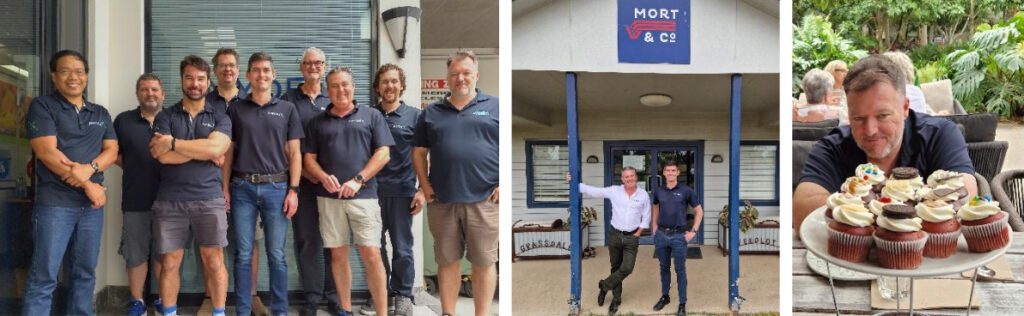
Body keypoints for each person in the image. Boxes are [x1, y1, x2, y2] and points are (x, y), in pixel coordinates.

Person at [793, 55, 977, 235]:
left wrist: (857, 211)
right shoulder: (833, 147)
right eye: (858, 118)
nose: (871, 130)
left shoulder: (940, 135)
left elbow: (965, 192)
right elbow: (802, 210)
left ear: (905, 108)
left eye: (883, 116)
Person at [23, 49, 118, 316]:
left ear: (86, 76)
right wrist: (89, 184)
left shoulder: (99, 112)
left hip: (91, 208)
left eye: (79, 71)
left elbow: (111, 150)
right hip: (55, 204)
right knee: (44, 276)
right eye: (65, 71)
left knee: (85, 273)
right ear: (54, 77)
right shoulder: (42, 106)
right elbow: (48, 153)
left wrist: (90, 168)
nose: (73, 77)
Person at [413, 50, 499, 316]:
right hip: (443, 201)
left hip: (484, 201)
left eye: (466, 73)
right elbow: (418, 152)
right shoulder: (431, 113)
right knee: (447, 261)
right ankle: (448, 313)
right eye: (455, 74)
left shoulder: (496, 106)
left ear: (476, 75)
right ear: (447, 78)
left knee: (483, 263)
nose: (460, 78)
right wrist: (425, 187)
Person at [303, 67, 394, 316]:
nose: (340, 90)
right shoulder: (317, 122)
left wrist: (358, 179)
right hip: (329, 199)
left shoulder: (371, 116)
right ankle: (344, 310)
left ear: (353, 87)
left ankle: (382, 312)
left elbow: (383, 153)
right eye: (334, 85)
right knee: (338, 254)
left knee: (371, 253)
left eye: (345, 84)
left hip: (363, 197)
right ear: (327, 89)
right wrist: (322, 177)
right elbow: (308, 158)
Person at [150, 55, 232, 316]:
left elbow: (218, 147)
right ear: (182, 80)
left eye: (200, 78)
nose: (194, 83)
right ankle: (170, 313)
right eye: (189, 77)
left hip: (209, 198)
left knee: (214, 261)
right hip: (170, 200)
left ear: (209, 82)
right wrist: (205, 151)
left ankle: (219, 313)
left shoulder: (221, 116)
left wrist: (174, 143)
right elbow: (161, 156)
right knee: (170, 262)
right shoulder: (165, 116)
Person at [223, 52, 303, 316]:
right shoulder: (235, 109)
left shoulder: (287, 109)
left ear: (273, 75)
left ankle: (279, 311)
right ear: (247, 75)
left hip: (277, 188)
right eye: (256, 70)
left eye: (266, 70)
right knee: (243, 254)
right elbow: (228, 153)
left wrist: (294, 190)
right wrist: (224, 188)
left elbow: (294, 153)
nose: (261, 75)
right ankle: (243, 311)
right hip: (242, 188)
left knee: (277, 255)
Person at [203, 46, 266, 316]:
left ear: (239, 71)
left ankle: (251, 296)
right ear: (215, 70)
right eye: (222, 65)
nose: (227, 69)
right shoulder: (204, 103)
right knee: (210, 244)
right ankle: (210, 297)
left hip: (246, 184)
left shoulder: (252, 100)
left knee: (249, 243)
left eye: (232, 65)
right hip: (207, 183)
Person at [280, 47, 341, 316]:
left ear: (325, 66)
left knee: (334, 241)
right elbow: (283, 143)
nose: (314, 67)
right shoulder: (288, 99)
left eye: (318, 63)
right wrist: (304, 173)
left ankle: (335, 296)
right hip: (302, 183)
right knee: (306, 241)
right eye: (308, 63)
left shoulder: (336, 96)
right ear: (301, 68)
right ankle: (312, 297)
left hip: (334, 184)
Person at [360, 64, 425, 316]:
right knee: (373, 247)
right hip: (371, 192)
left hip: (402, 192)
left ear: (401, 85)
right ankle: (381, 293)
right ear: (377, 86)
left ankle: (403, 296)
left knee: (402, 247)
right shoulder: (368, 115)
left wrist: (421, 189)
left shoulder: (415, 117)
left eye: (394, 81)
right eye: (385, 82)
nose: (390, 86)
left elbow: (423, 155)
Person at [113, 73, 166, 316]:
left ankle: (165, 299)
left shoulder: (172, 119)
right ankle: (137, 302)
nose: (150, 93)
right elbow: (112, 152)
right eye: (145, 89)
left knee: (164, 253)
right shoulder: (123, 121)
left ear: (162, 94)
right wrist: (134, 166)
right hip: (135, 198)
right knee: (135, 253)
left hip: (170, 200)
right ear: (138, 94)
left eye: (154, 89)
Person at [569, 167, 650, 315]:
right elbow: (594, 191)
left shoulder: (643, 194)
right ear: (622, 179)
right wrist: (574, 182)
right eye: (626, 177)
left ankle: (605, 286)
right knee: (615, 267)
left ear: (636, 177)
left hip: (632, 237)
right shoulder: (614, 191)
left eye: (632, 176)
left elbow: (646, 216)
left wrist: (638, 233)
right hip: (615, 235)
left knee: (627, 268)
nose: (629, 178)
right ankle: (616, 299)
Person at [650, 162, 703, 316]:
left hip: (679, 236)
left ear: (678, 173)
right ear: (664, 173)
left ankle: (682, 303)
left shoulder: (686, 190)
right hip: (661, 235)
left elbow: (699, 211)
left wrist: (694, 230)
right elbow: (655, 207)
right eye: (668, 170)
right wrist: (654, 225)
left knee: (680, 270)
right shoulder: (659, 190)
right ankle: (665, 296)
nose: (671, 173)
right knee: (664, 268)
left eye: (674, 170)